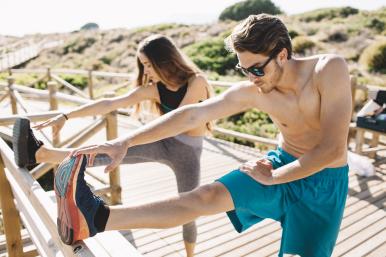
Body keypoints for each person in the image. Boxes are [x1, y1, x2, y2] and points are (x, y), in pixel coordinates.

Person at [54, 14, 352, 257]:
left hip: (323, 184)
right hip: (277, 165)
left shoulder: (328, 70)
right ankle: (96, 218)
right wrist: (126, 141)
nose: (251, 78)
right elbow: (192, 114)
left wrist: (275, 177)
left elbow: (332, 148)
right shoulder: (253, 90)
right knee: (205, 196)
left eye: (257, 69)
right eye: (243, 69)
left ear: (283, 55)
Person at [12, 34, 213, 257]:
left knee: (189, 209)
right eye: (142, 65)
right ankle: (41, 154)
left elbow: (180, 120)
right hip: (163, 141)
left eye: (148, 64)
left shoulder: (197, 82)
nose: (145, 71)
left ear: (165, 60)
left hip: (187, 152)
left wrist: (129, 140)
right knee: (108, 153)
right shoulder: (155, 88)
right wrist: (66, 115)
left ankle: (190, 255)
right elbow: (110, 103)